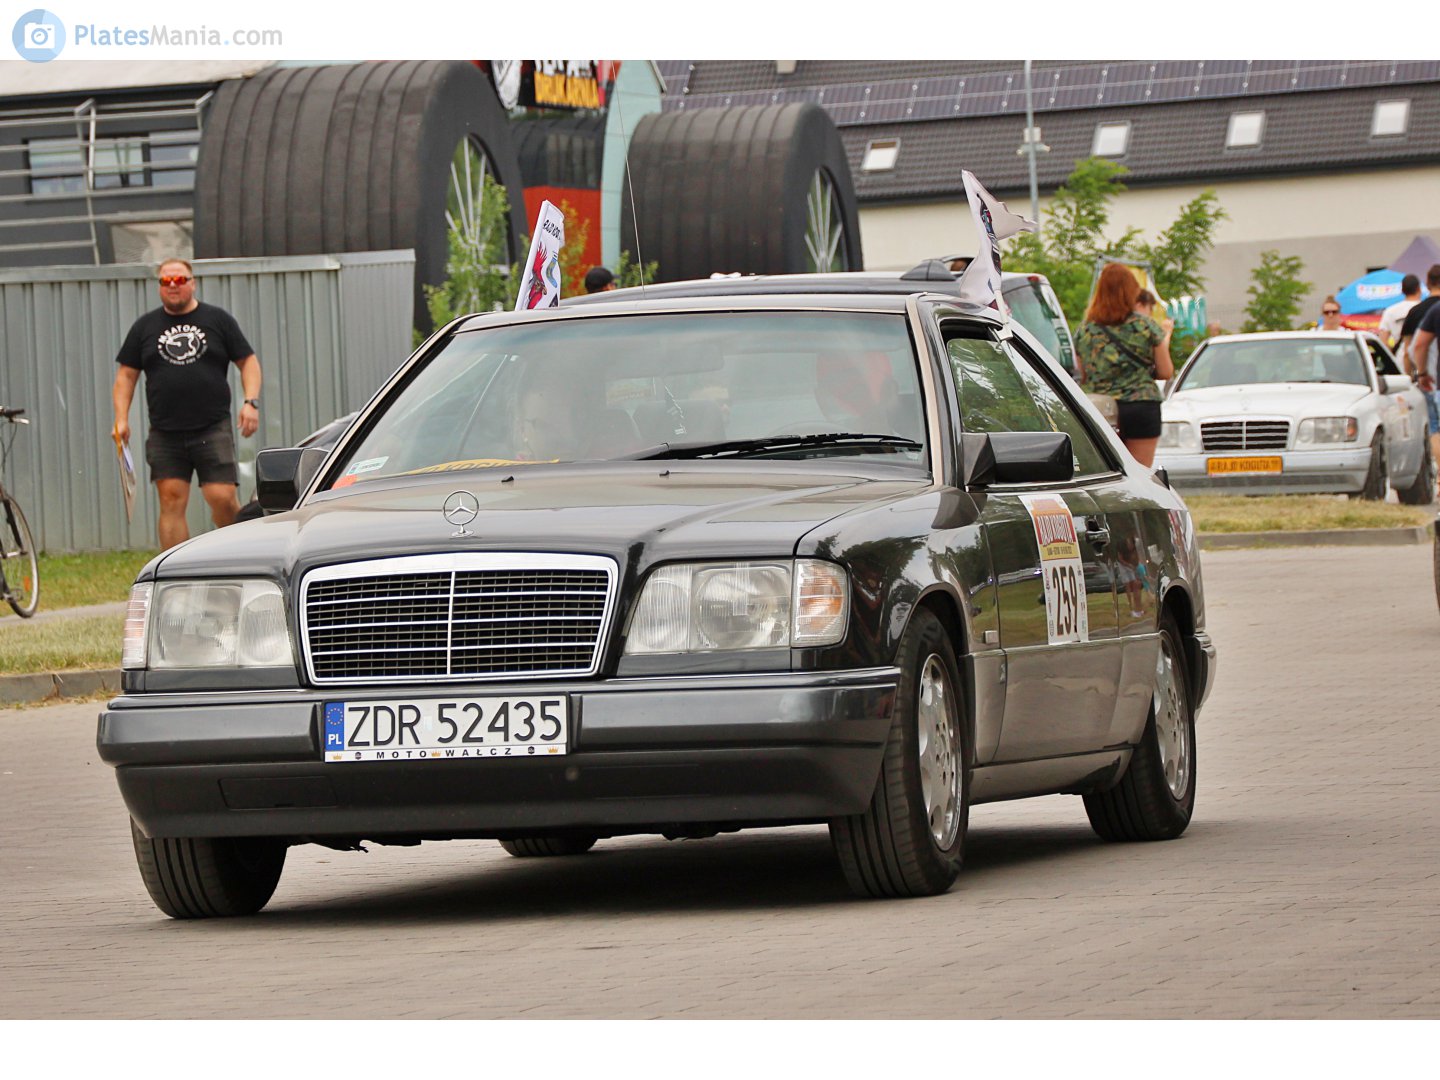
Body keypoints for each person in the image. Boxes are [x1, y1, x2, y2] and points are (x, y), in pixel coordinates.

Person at [113, 258, 261, 551]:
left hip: (211, 426)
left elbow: (248, 362)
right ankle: (174, 573)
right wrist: (121, 419)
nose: (173, 286)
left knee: (221, 497)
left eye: (179, 280)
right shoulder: (145, 327)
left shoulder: (217, 320)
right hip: (165, 432)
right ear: (159, 287)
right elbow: (126, 376)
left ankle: (242, 558)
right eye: (166, 281)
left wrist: (251, 402)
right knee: (170, 499)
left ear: (192, 283)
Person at [1075, 263, 1174, 467]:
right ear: (1132, 292)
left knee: (1105, 472)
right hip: (1141, 407)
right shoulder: (1146, 326)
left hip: (1100, 410)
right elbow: (1166, 371)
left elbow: (1082, 376)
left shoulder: (1086, 330)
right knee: (1140, 473)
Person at [1377, 274, 1421, 349]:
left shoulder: (1390, 311)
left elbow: (1383, 341)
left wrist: (1393, 356)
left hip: (1400, 356)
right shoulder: (1427, 309)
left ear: (1402, 290)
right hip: (1423, 357)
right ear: (1419, 289)